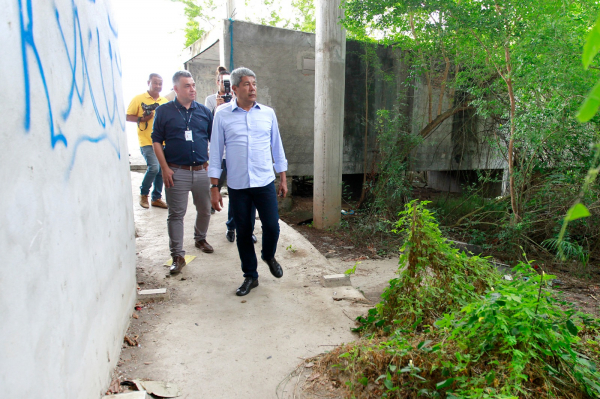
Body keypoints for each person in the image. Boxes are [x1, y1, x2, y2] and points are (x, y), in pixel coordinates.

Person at [209, 67, 288, 296]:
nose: (252, 88)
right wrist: (214, 187)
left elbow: (277, 147)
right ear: (234, 89)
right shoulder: (222, 114)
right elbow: (215, 154)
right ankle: (250, 276)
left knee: (272, 226)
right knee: (243, 232)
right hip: (238, 185)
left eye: (254, 83)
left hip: (264, 182)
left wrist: (282, 178)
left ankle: (268, 255)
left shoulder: (267, 113)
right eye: (246, 84)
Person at [152, 71, 214, 275]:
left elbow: (215, 141)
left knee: (205, 209)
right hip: (176, 171)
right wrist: (164, 168)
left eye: (193, 85)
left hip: (201, 170)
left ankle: (200, 238)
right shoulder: (164, 111)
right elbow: (156, 141)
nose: (192, 89)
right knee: (176, 214)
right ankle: (177, 255)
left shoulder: (204, 112)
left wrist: (212, 166)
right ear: (176, 89)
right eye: (187, 86)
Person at [205, 67, 257, 244]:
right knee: (224, 189)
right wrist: (218, 109)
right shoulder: (212, 101)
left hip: (238, 157)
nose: (224, 85)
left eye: (227, 81)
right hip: (222, 156)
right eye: (222, 81)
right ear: (218, 82)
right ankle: (229, 222)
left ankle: (241, 228)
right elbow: (211, 128)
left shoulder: (245, 101)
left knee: (243, 195)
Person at [127, 74, 169, 209]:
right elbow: (128, 116)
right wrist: (142, 119)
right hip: (146, 141)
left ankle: (156, 198)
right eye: (155, 83)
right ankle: (144, 194)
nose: (158, 86)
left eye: (160, 83)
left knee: (161, 170)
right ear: (148, 83)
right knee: (154, 167)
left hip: (162, 142)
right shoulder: (138, 99)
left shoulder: (164, 101)